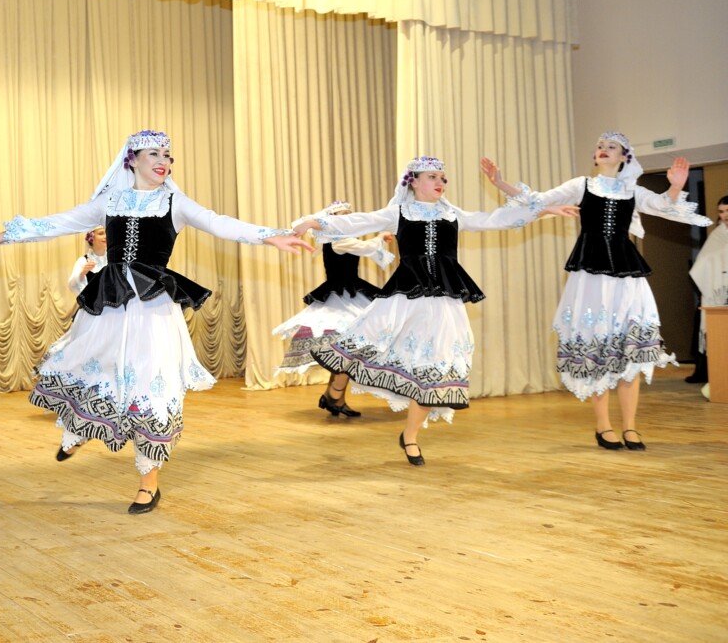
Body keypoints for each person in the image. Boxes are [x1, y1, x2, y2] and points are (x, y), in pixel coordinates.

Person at [0, 130, 310, 513]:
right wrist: (2, 236)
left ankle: (148, 482)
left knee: (151, 386)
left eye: (167, 155)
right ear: (132, 159)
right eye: (154, 153)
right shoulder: (110, 200)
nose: (163, 161)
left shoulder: (174, 202)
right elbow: (59, 222)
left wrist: (270, 236)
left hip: (152, 308)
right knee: (97, 368)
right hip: (110, 304)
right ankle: (80, 430)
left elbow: (219, 223)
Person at [296, 156, 576, 465]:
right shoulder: (398, 212)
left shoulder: (453, 215)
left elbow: (494, 219)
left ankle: (410, 436)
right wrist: (314, 222)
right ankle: (336, 393)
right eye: (432, 176)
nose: (440, 182)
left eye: (443, 177)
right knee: (370, 343)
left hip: (444, 300)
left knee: (439, 364)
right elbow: (357, 222)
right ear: (414, 181)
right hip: (405, 298)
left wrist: (543, 210)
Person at [482, 134, 711, 450]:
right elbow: (538, 200)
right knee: (597, 347)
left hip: (626, 274)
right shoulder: (582, 185)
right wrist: (500, 183)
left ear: (624, 156)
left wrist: (675, 186)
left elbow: (664, 206)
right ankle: (603, 426)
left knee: (629, 352)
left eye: (611, 147)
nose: (603, 149)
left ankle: (630, 427)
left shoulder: (632, 190)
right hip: (591, 274)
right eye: (600, 146)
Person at [271, 200, 394, 417]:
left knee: (349, 349)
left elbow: (369, 250)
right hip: (342, 299)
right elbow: (367, 248)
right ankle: (333, 396)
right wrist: (381, 236)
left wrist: (380, 237)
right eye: (341, 215)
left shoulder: (340, 238)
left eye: (348, 214)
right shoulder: (338, 241)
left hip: (350, 294)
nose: (346, 218)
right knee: (348, 348)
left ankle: (334, 396)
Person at [688, 195, 728, 384]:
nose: (725, 215)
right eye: (721, 212)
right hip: (720, 294)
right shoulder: (717, 235)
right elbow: (702, 264)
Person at [67, 226, 107, 295]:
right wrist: (82, 273)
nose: (105, 236)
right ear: (91, 238)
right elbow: (72, 286)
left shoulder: (113, 259)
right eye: (101, 233)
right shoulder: (83, 261)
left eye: (107, 233)